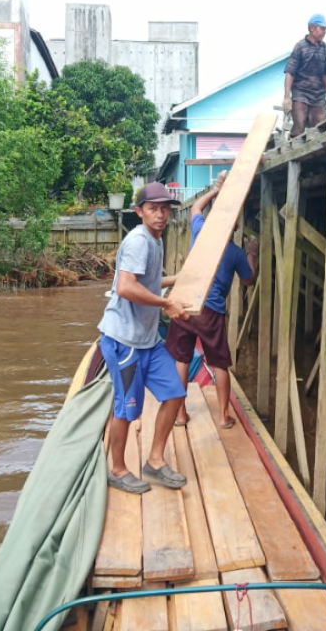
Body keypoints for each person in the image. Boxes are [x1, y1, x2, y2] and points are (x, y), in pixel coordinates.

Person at [97, 182, 192, 493]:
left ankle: (154, 461)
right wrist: (167, 303)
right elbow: (125, 287)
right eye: (153, 209)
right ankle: (118, 469)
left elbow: (148, 281)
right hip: (125, 341)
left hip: (148, 340)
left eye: (165, 208)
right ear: (139, 212)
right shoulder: (139, 240)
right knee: (127, 408)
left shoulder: (156, 239)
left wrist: (177, 279)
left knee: (175, 393)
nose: (160, 214)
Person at [166, 171, 258, 429]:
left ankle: (180, 415)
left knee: (181, 359)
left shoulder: (200, 231)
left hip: (184, 303)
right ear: (235, 227)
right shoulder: (236, 252)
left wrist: (216, 190)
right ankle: (222, 417)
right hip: (210, 311)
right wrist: (252, 253)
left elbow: (195, 207)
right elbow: (249, 280)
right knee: (219, 363)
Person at [283, 13, 326, 138]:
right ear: (312, 28)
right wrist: (287, 97)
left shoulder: (325, 48)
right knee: (299, 127)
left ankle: (318, 156)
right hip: (300, 93)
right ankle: (294, 153)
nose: (324, 32)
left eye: (325, 29)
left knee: (321, 128)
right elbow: (290, 72)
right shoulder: (300, 46)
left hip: (318, 94)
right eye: (322, 29)